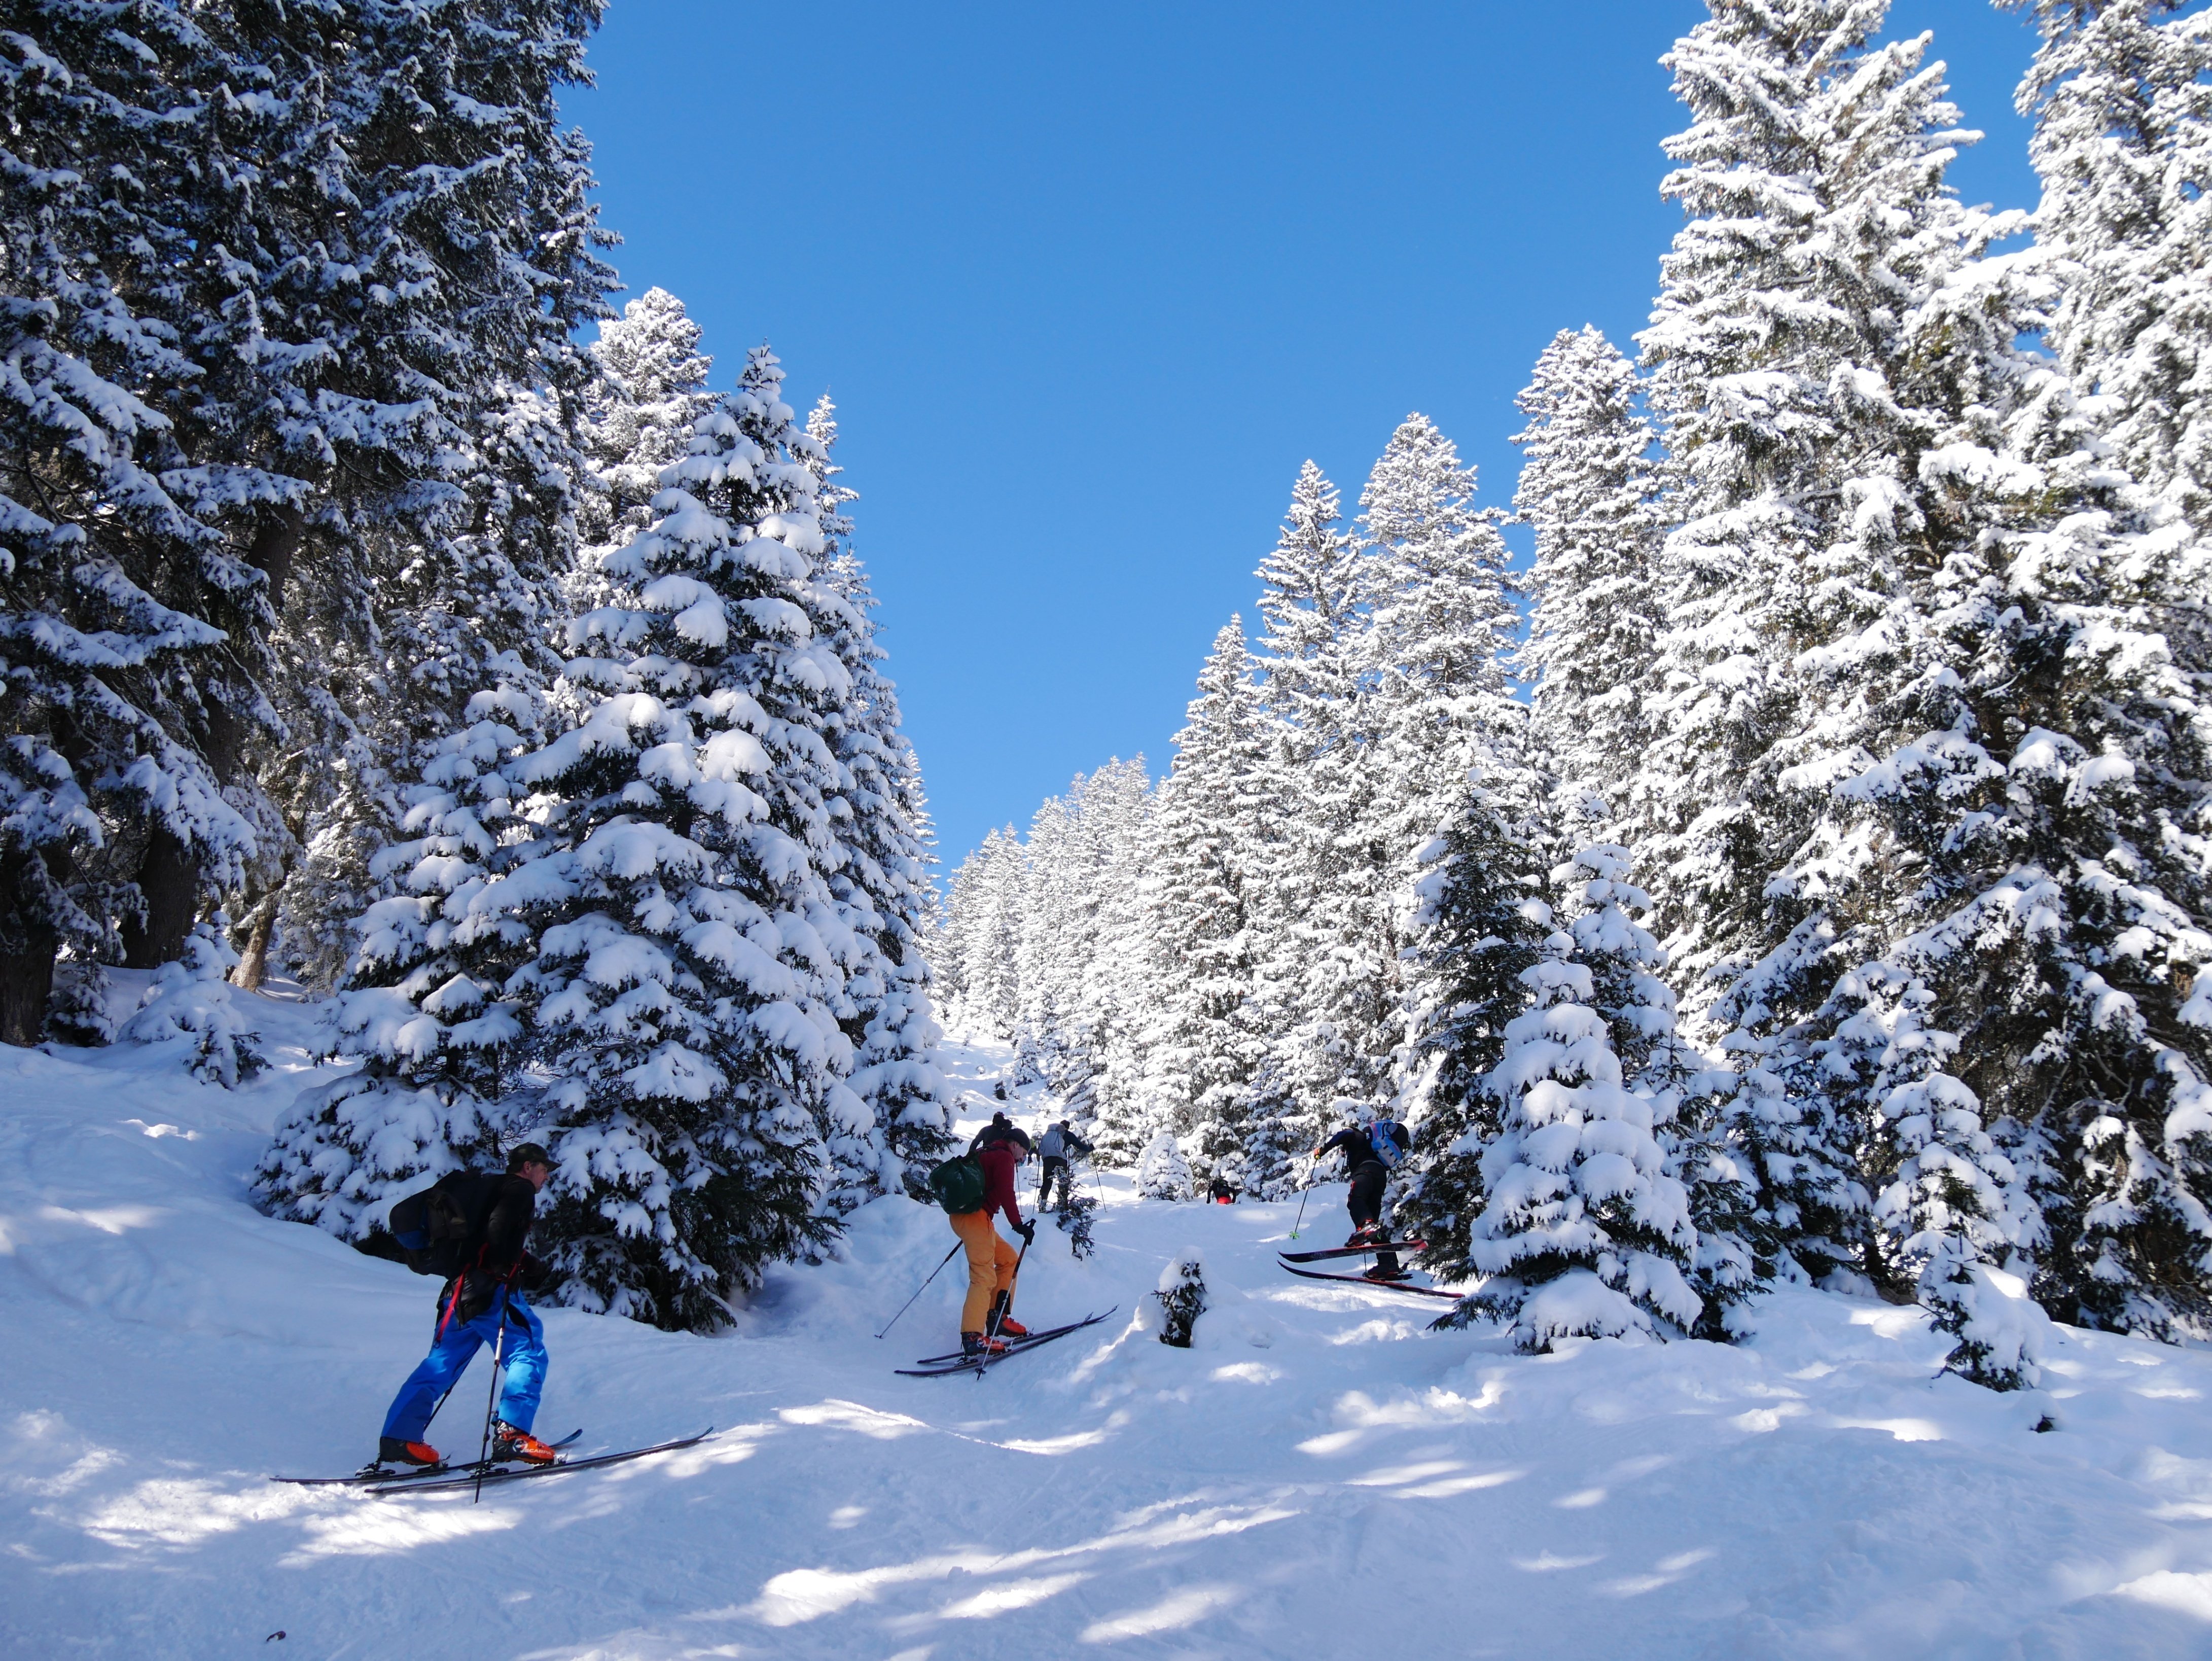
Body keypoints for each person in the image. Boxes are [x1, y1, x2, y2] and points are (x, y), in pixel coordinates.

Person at [376, 1144, 561, 1469]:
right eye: (545, 1169)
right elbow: (499, 1231)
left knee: (439, 1364)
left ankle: (399, 1439)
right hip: (490, 1291)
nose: (547, 1177)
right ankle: (512, 1436)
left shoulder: (484, 1188)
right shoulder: (519, 1188)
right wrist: (512, 1267)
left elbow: (482, 1236)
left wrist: (526, 1262)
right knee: (527, 1351)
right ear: (528, 1166)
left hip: (457, 1294)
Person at [948, 1123, 1034, 1358]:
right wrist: (1018, 1225)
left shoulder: (986, 1152)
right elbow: (1007, 1192)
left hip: (969, 1218)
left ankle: (998, 1317)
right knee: (983, 1275)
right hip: (974, 1219)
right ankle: (973, 1336)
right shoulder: (1004, 1157)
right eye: (1024, 1153)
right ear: (1015, 1145)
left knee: (1008, 1259)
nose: (1022, 1159)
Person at [1309, 1115, 1410, 1280]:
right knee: (1373, 1226)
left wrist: (1323, 1150)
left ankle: (1365, 1226)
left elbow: (1343, 1135)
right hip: (1380, 1177)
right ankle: (1389, 1264)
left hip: (1366, 1172)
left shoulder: (1357, 1136)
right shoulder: (1373, 1146)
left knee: (1356, 1200)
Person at [1035, 1119, 1092, 1211]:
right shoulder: (1066, 1134)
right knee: (1063, 1183)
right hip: (1060, 1160)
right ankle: (1062, 1206)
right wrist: (1089, 1149)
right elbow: (1079, 1145)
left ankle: (1042, 1204)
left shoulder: (1049, 1134)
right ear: (1067, 1128)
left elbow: (1040, 1150)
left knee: (1047, 1183)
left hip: (1047, 1160)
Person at [969, 1109, 1033, 1158]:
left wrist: (970, 1155)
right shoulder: (1006, 1130)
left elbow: (975, 1143)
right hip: (1001, 1156)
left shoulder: (986, 1129)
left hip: (985, 1154)